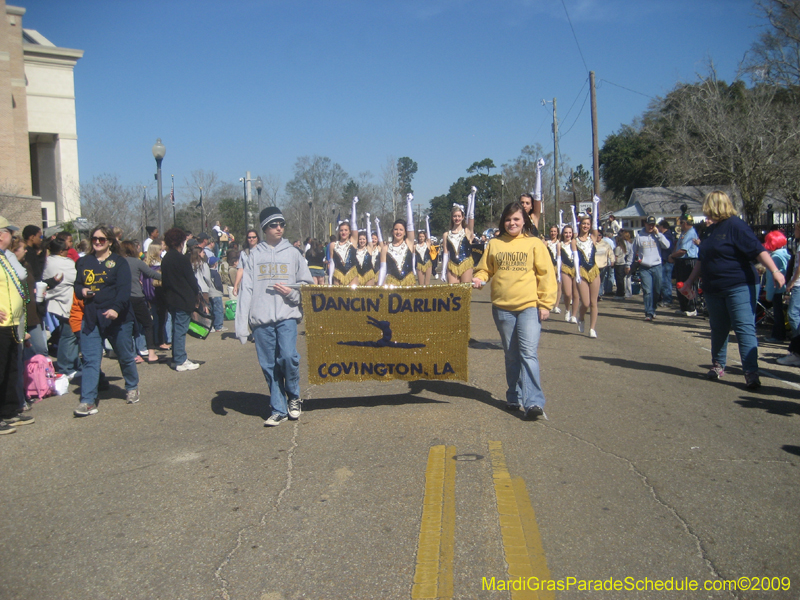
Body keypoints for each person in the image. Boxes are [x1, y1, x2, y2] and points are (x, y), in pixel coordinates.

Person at [681, 191, 785, 389]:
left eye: (708, 207)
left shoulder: (736, 226)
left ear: (716, 206)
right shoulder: (709, 230)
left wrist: (775, 271)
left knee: (743, 327)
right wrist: (689, 281)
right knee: (718, 328)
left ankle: (751, 372)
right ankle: (718, 365)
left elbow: (758, 250)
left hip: (739, 285)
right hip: (713, 287)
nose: (705, 212)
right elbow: (703, 260)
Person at [472, 202, 557, 420]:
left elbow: (546, 274)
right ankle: (514, 395)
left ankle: (534, 402)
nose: (512, 223)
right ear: (503, 221)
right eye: (509, 219)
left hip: (529, 306)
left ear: (524, 221)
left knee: (528, 353)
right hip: (502, 308)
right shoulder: (494, 244)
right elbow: (485, 268)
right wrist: (480, 278)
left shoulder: (535, 244)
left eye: (517, 219)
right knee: (511, 355)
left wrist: (546, 303)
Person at [235, 207, 313, 426]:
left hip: (287, 315)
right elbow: (246, 290)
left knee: (288, 357)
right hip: (261, 319)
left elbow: (308, 285)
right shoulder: (254, 256)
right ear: (264, 229)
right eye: (274, 225)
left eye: (281, 224)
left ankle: (294, 397)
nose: (279, 228)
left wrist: (292, 293)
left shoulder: (293, 253)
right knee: (269, 365)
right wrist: (242, 325)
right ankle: (278, 408)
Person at [73, 226, 140, 416]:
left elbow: (124, 290)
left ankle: (132, 386)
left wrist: (116, 309)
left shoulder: (119, 262)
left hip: (117, 317)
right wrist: (82, 291)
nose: (97, 242)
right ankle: (87, 401)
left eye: (102, 239)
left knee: (124, 355)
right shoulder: (83, 262)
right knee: (90, 359)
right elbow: (77, 285)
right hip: (92, 316)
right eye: (94, 239)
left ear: (110, 242)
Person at [0, 217, 35, 434]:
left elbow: (20, 276)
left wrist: (9, 253)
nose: (11, 237)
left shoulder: (5, 257)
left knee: (11, 369)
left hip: (13, 321)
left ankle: (9, 410)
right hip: (1, 323)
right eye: (7, 232)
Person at [161, 228, 201, 371]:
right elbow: (191, 280)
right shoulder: (181, 259)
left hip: (171, 298)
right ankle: (180, 359)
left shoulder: (166, 259)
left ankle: (176, 357)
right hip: (183, 298)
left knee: (175, 328)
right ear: (181, 242)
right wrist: (197, 293)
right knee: (180, 330)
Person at [120, 240, 162, 363]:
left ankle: (131, 354)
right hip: (137, 297)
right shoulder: (136, 262)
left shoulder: (118, 262)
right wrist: (169, 277)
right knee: (148, 323)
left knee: (128, 326)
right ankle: (151, 353)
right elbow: (151, 274)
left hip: (122, 298)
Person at [43, 238, 79, 377]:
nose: (68, 251)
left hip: (55, 302)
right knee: (69, 336)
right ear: (61, 251)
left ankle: (72, 364)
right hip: (66, 302)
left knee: (67, 334)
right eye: (66, 249)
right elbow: (77, 277)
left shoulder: (47, 261)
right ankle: (67, 367)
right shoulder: (64, 263)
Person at [632, 216, 670, 321]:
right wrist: (629, 264)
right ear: (645, 224)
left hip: (657, 265)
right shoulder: (639, 236)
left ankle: (653, 308)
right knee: (647, 290)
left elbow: (667, 245)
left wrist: (658, 234)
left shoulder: (658, 235)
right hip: (644, 267)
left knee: (657, 290)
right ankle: (648, 312)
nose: (651, 226)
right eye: (649, 224)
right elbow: (633, 250)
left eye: (653, 225)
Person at [378, 195, 417, 286]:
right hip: (392, 284)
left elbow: (410, 225)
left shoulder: (409, 243)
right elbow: (383, 269)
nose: (398, 232)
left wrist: (408, 203)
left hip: (408, 283)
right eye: (396, 229)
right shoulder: (385, 248)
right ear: (392, 231)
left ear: (405, 232)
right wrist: (379, 286)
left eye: (401, 230)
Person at [572, 216, 600, 337]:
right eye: (584, 223)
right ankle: (581, 317)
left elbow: (595, 226)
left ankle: (592, 328)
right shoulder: (575, 241)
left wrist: (595, 205)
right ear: (580, 225)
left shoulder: (593, 238)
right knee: (586, 302)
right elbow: (576, 258)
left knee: (594, 302)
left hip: (594, 270)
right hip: (581, 271)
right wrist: (577, 274)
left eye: (588, 224)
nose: (586, 226)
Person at [442, 188, 476, 284]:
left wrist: (472, 197)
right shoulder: (446, 234)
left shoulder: (467, 231)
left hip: (466, 263)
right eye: (455, 216)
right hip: (452, 265)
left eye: (459, 216)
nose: (457, 218)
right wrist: (443, 271)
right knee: (453, 294)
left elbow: (471, 216)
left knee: (465, 292)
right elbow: (445, 253)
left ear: (463, 217)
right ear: (452, 217)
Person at [764, 230, 789, 343]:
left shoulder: (774, 257)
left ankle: (778, 336)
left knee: (778, 315)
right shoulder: (786, 254)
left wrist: (768, 294)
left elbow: (771, 279)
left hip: (777, 290)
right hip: (786, 288)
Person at [328, 197, 360, 286]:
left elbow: (353, 222)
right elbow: (332, 262)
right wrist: (330, 278)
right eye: (341, 230)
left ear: (350, 231)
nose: (343, 232)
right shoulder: (333, 245)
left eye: (346, 230)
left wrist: (353, 205)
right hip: (338, 275)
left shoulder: (352, 242)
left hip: (351, 275)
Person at [558, 225, 578, 322]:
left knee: (576, 293)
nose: (568, 234)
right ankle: (567, 310)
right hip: (565, 269)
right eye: (566, 232)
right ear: (562, 233)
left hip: (576, 269)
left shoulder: (575, 243)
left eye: (570, 232)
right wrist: (558, 272)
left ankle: (574, 315)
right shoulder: (560, 244)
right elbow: (558, 259)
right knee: (568, 293)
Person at [233, 229, 260, 296]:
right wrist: (236, 285)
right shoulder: (243, 253)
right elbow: (240, 269)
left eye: (254, 237)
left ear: (257, 238)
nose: (251, 239)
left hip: (259, 283)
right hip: (247, 283)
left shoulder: (262, 251)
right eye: (249, 237)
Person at [656, 219, 676, 307]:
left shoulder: (667, 236)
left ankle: (667, 299)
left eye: (659, 226)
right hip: (665, 261)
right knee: (663, 280)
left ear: (662, 227)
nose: (658, 228)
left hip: (666, 261)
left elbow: (668, 248)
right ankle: (663, 298)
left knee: (665, 281)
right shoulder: (668, 235)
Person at [544, 225, 562, 314]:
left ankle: (556, 305)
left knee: (559, 286)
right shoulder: (546, 243)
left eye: (555, 231)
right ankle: (549, 304)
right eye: (551, 231)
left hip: (558, 265)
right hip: (549, 266)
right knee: (549, 285)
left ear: (557, 232)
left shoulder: (560, 243)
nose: (553, 233)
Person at [208, 256, 226, 332]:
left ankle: (211, 326)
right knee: (218, 310)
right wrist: (221, 291)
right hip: (216, 293)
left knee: (211, 310)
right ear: (215, 264)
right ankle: (218, 326)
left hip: (209, 293)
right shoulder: (215, 273)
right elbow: (218, 284)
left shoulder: (207, 272)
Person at [415, 218, 433, 286]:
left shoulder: (427, 244)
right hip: (419, 265)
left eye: (423, 236)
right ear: (418, 237)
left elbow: (428, 235)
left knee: (427, 283)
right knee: (421, 283)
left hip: (428, 263)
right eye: (420, 236)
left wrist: (426, 222)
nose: (421, 238)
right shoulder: (415, 246)